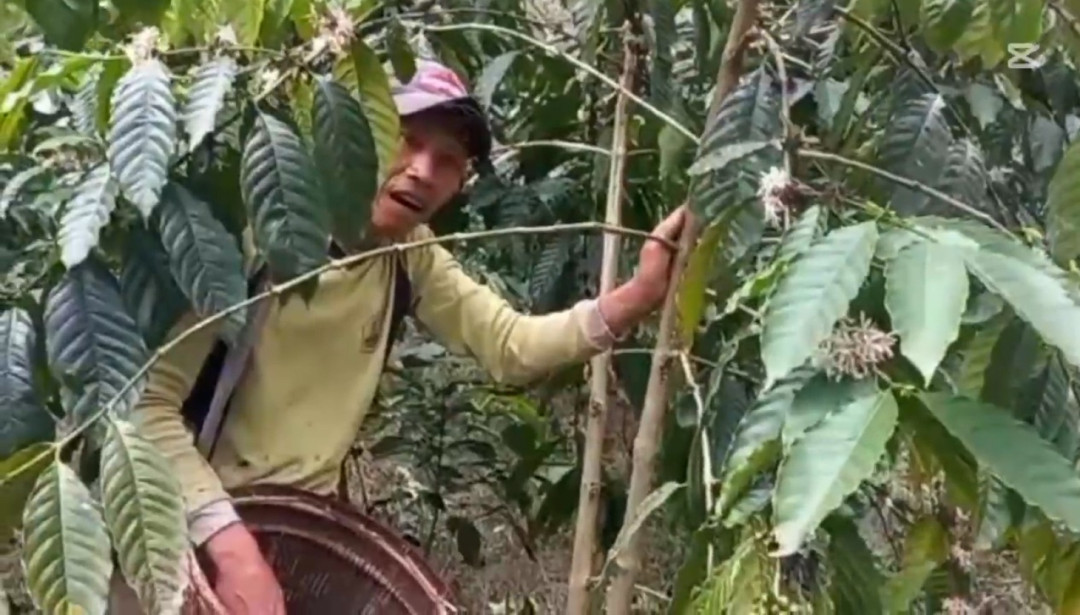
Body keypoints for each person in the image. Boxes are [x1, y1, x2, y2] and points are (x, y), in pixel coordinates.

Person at [113, 59, 686, 613]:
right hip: (182, 533)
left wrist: (638, 295)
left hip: (296, 538)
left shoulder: (409, 257)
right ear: (351, 138)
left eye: (447, 160)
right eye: (406, 140)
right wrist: (231, 546)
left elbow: (511, 346)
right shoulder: (251, 244)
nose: (421, 171)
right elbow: (147, 408)